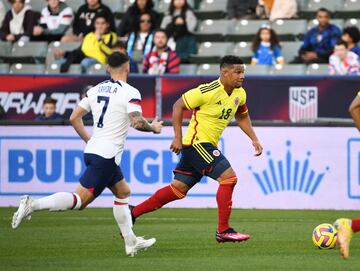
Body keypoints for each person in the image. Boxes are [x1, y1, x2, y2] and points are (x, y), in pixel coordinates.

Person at [12, 52, 163, 257]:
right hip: (106, 156)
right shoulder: (130, 91)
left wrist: (89, 140)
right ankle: (33, 204)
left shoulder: (94, 90)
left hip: (94, 150)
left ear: (108, 68)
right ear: (128, 67)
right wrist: (153, 127)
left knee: (123, 192)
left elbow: (75, 118)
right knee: (79, 201)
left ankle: (131, 242)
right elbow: (136, 121)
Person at [132, 55, 263, 243]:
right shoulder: (207, 90)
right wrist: (177, 137)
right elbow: (178, 105)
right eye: (237, 72)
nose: (242, 76)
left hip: (204, 146)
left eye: (243, 72)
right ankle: (223, 230)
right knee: (229, 178)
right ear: (224, 73)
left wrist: (254, 138)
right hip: (197, 144)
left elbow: (242, 117)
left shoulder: (239, 93)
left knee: (178, 190)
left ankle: (133, 212)